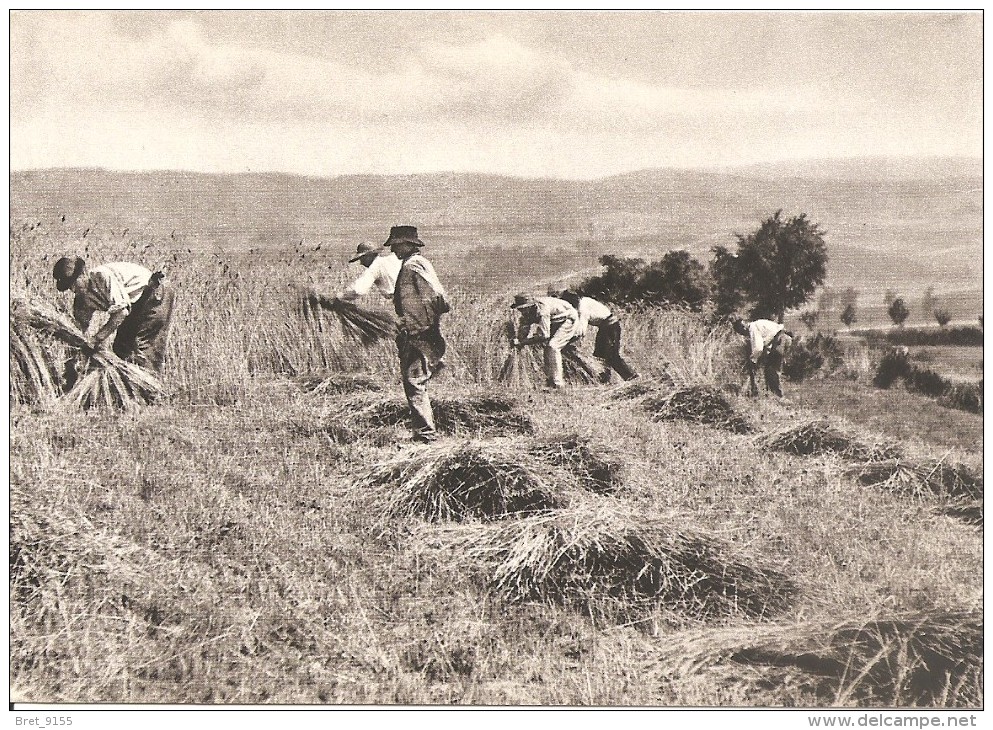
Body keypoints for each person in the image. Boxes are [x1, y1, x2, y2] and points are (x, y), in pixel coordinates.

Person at [52, 256, 175, 373]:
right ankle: (129, 389)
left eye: (74, 283)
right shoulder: (81, 299)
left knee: (145, 350)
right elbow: (80, 328)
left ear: (83, 274)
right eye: (69, 287)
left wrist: (96, 339)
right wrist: (75, 353)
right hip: (134, 303)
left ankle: (151, 391)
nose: (73, 289)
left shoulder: (102, 276)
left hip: (153, 293)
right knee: (122, 349)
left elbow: (121, 312)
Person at [386, 226, 450, 443]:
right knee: (413, 380)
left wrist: (426, 326)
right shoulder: (409, 265)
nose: (393, 249)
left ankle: (427, 435)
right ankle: (423, 432)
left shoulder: (415, 264)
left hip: (421, 333)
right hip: (414, 331)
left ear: (408, 244)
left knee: (414, 381)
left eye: (396, 245)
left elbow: (437, 296)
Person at [559, 290, 638, 382]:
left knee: (612, 356)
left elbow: (581, 332)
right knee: (599, 355)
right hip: (606, 327)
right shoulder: (585, 300)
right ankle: (604, 380)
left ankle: (632, 377)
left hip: (610, 327)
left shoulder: (582, 308)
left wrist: (566, 341)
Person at [510, 293, 580, 389]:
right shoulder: (527, 313)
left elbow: (544, 335)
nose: (522, 311)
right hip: (555, 320)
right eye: (520, 309)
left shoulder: (542, 310)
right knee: (547, 349)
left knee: (553, 346)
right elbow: (523, 329)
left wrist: (523, 342)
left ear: (531, 305)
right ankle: (550, 380)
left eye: (524, 308)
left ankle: (558, 383)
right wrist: (518, 340)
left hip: (568, 318)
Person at [732, 316, 793, 398]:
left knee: (771, 370)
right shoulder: (758, 323)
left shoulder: (753, 328)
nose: (744, 335)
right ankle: (773, 395)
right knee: (770, 369)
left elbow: (758, 348)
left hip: (780, 341)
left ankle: (778, 397)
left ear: (743, 327)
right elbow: (767, 342)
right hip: (783, 339)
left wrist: (753, 360)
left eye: (742, 332)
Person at [336, 241, 402, 302]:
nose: (361, 263)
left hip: (401, 300)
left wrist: (338, 297)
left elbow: (357, 291)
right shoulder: (394, 258)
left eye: (362, 258)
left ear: (369, 256)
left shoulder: (374, 267)